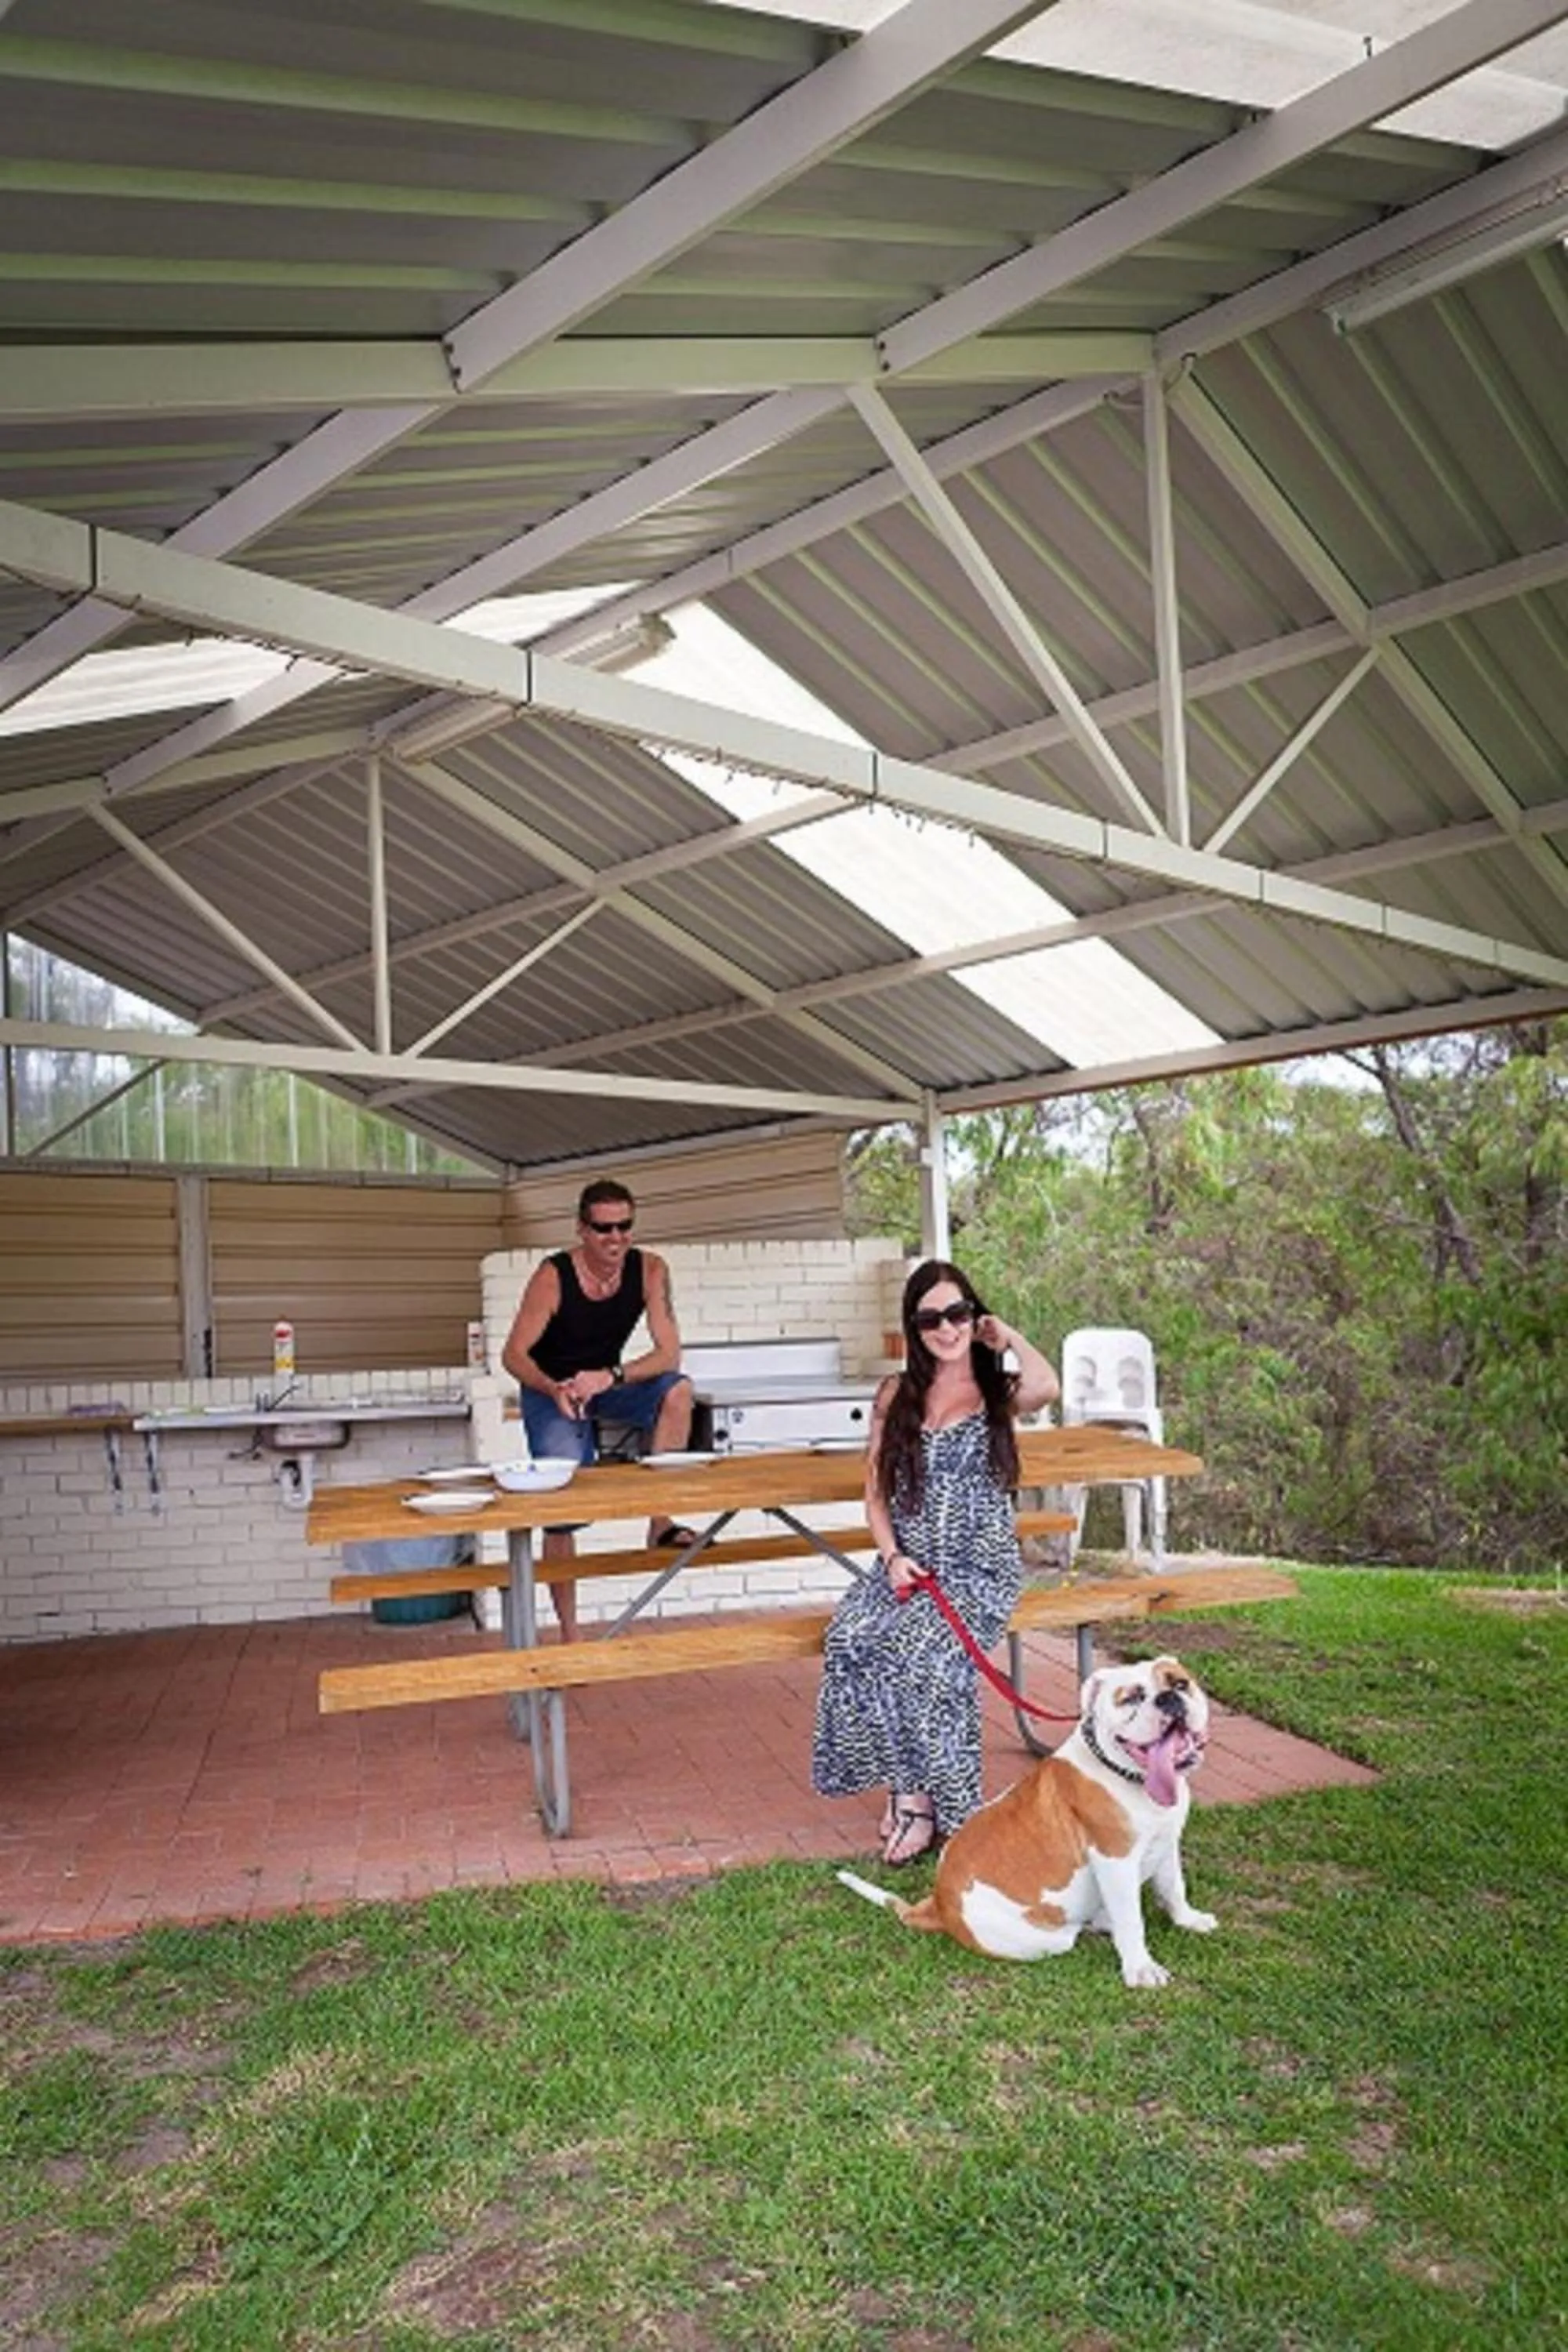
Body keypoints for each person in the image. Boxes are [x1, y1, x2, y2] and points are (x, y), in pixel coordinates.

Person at [811, 1258, 1060, 1867]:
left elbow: (1048, 1386)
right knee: (850, 1639)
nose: (945, 1329)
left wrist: (1009, 1339)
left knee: (920, 1655)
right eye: (930, 1319)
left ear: (974, 1317)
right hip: (910, 1565)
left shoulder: (997, 1390)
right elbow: (874, 1492)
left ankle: (940, 1808)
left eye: (957, 1314)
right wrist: (892, 1557)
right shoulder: (896, 1394)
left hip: (976, 1572)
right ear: (914, 1327)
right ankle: (906, 1787)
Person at [500, 1179, 695, 1640]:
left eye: (625, 1226)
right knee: (561, 1511)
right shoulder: (552, 1276)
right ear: (582, 1229)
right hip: (553, 1388)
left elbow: (669, 1356)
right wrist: (552, 1388)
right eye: (605, 1229)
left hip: (607, 1381)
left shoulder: (650, 1269)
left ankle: (660, 1521)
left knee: (679, 1390)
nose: (616, 1238)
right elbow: (513, 1355)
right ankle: (571, 1633)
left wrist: (612, 1376)